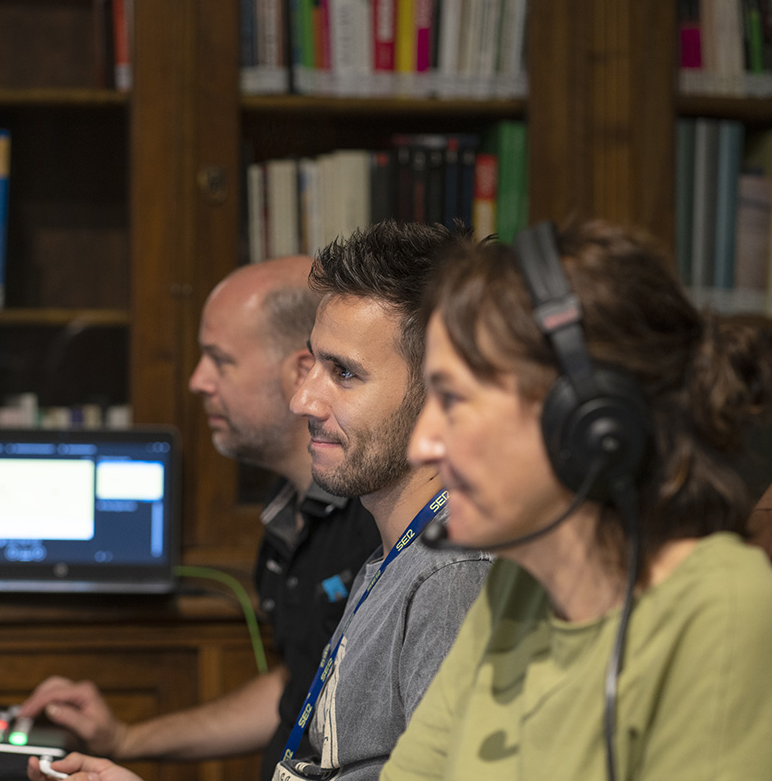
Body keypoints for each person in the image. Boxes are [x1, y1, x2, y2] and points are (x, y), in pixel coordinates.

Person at [381, 219, 772, 780]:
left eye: (453, 400)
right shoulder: (517, 586)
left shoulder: (724, 616)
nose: (421, 445)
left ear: (587, 422)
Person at [28, 222, 494, 781]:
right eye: (313, 365)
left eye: (344, 373)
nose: (303, 399)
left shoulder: (452, 578)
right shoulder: (395, 558)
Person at [19, 256, 381, 781]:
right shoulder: (286, 519)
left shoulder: (383, 524)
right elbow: (303, 686)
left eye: (219, 359)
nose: (196, 380)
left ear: (302, 372)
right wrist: (126, 739)